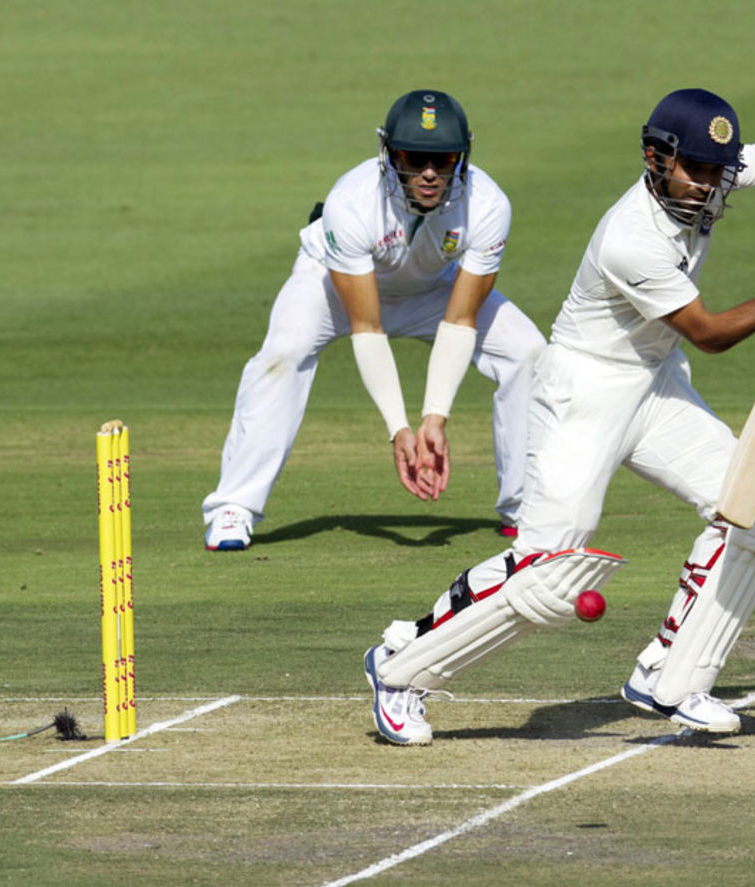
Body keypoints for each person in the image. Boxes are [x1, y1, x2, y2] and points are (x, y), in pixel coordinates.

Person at [362, 88, 755, 745]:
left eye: (718, 172)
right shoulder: (630, 238)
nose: (708, 187)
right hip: (583, 394)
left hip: (655, 385)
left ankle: (670, 676)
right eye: (695, 172)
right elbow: (709, 333)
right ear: (657, 158)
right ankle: (400, 666)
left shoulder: (711, 167)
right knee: (548, 577)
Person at [201, 90, 545, 550]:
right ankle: (233, 507)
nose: (428, 172)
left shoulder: (488, 205)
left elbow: (461, 320)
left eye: (442, 159)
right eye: (413, 157)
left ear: (462, 155)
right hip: (334, 283)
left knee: (526, 351)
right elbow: (367, 326)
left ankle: (525, 508)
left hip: (431, 289)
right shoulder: (352, 201)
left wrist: (434, 419)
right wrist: (399, 429)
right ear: (388, 152)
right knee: (284, 353)